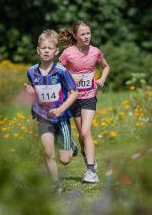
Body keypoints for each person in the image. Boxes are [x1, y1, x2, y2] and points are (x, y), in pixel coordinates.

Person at [24, 30, 78, 193]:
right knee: (48, 153)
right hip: (43, 116)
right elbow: (37, 91)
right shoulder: (31, 71)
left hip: (61, 118)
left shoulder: (61, 71)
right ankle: (56, 185)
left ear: (56, 51)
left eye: (50, 48)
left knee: (65, 160)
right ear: (38, 50)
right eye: (43, 48)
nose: (47, 51)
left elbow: (74, 92)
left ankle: (71, 146)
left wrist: (61, 108)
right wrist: (33, 93)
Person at [59, 21, 110, 183]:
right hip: (73, 98)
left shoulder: (95, 52)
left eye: (88, 33)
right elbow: (57, 71)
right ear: (75, 36)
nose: (86, 36)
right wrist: (70, 77)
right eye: (82, 34)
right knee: (82, 135)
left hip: (89, 97)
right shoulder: (68, 53)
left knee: (85, 132)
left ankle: (91, 172)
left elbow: (106, 66)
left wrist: (102, 78)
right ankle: (90, 159)